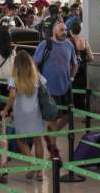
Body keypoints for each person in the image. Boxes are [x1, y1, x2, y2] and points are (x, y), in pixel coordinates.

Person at [33, 22, 78, 158]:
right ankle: (53, 147)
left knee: (67, 116)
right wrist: (39, 81)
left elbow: (75, 64)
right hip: (49, 89)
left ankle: (50, 134)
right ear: (54, 31)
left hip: (65, 87)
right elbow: (34, 64)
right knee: (53, 118)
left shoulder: (69, 45)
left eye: (65, 30)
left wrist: (71, 77)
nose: (64, 32)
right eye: (61, 30)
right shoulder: (45, 45)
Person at [0, 50, 46, 181]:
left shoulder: (14, 78)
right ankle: (40, 172)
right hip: (36, 112)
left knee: (21, 140)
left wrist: (5, 110)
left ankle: (31, 163)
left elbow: (12, 96)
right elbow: (45, 90)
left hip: (21, 114)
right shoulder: (36, 75)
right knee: (38, 141)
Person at [68, 22, 93, 111]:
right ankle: (84, 114)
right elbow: (91, 57)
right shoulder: (84, 40)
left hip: (72, 69)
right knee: (82, 92)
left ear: (70, 31)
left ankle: (72, 112)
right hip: (83, 68)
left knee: (72, 90)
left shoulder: (68, 41)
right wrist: (84, 61)